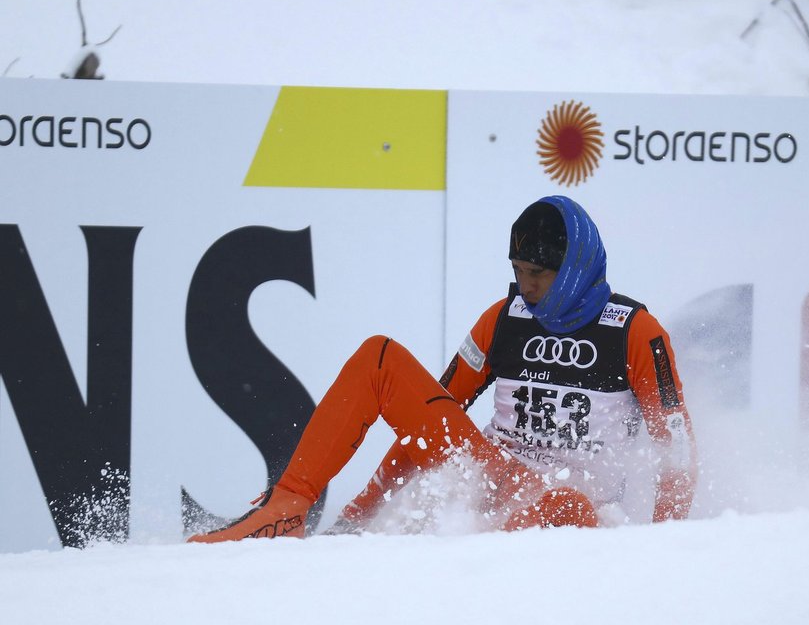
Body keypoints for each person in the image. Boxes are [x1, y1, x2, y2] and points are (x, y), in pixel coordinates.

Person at [188, 195, 696, 542]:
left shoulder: (634, 332)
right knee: (379, 357)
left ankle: (473, 562)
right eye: (517, 272)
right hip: (497, 478)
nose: (526, 286)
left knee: (565, 504)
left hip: (579, 505)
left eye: (537, 273)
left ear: (575, 265)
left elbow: (676, 448)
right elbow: (432, 415)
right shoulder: (502, 319)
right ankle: (286, 509)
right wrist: (360, 515)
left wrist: (660, 546)